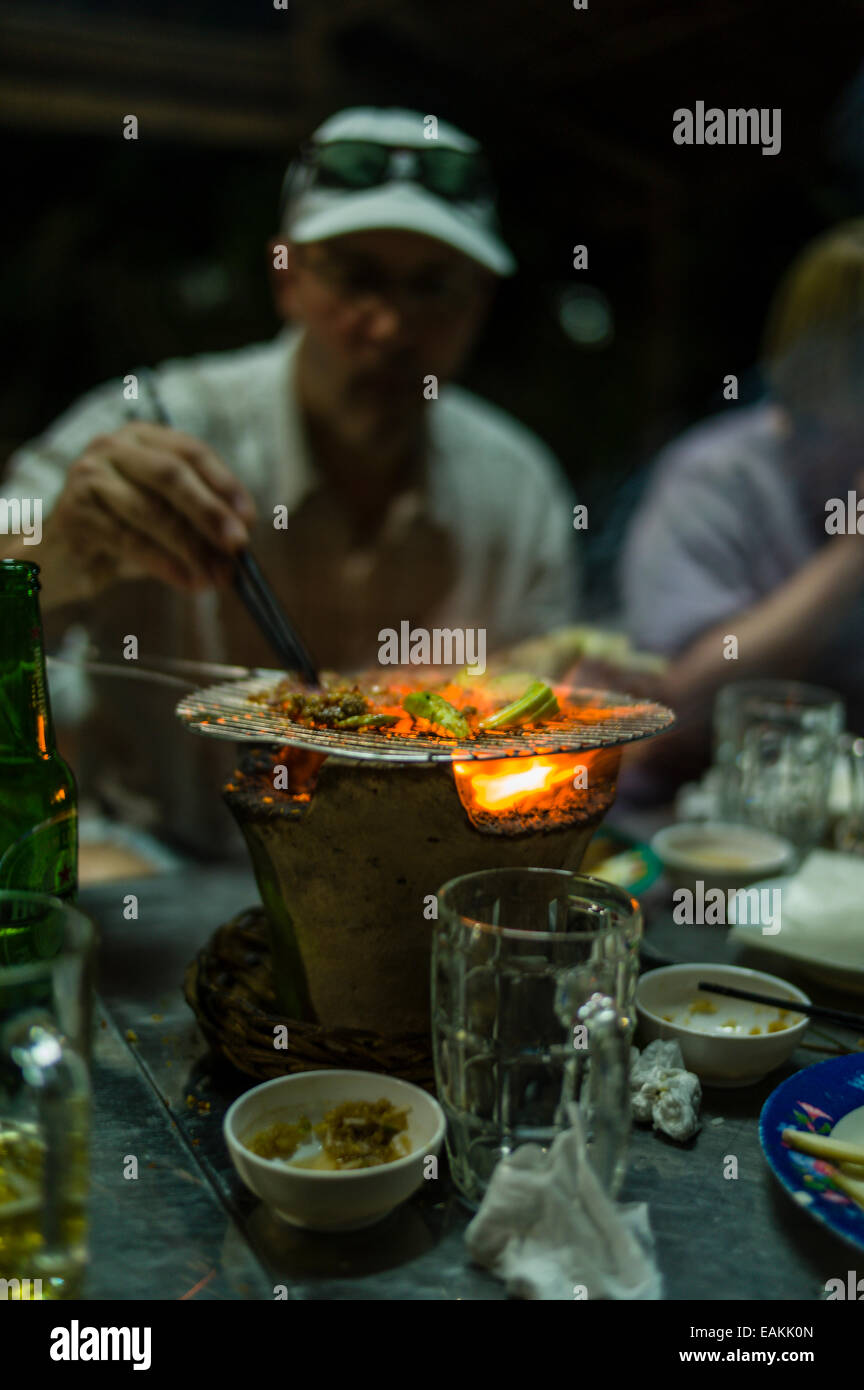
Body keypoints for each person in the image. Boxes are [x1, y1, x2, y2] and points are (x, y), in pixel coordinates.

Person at [0, 107, 578, 852]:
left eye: (434, 287)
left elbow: (539, 725)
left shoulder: (520, 489)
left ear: (480, 303)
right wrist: (62, 546)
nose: (390, 329)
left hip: (412, 884)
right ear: (287, 278)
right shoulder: (159, 421)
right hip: (158, 867)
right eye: (356, 277)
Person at [620, 219, 864, 785]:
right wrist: (852, 555)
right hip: (689, 829)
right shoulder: (718, 475)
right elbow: (680, 707)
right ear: (820, 356)